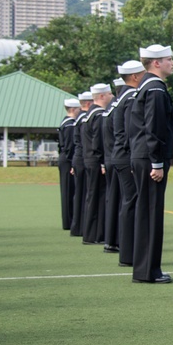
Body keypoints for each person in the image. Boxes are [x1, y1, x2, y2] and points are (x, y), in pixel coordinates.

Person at [129, 44, 173, 285]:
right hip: (150, 158)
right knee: (151, 213)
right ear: (156, 63)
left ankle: (144, 268)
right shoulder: (155, 89)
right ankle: (149, 270)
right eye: (169, 59)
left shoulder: (143, 86)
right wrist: (157, 162)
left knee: (146, 212)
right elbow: (155, 128)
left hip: (141, 156)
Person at [112, 61, 145, 268]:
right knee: (132, 203)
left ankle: (127, 252)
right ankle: (130, 253)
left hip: (120, 155)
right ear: (134, 77)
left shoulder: (120, 98)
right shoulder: (132, 97)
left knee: (128, 203)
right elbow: (130, 130)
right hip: (127, 155)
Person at [81, 83, 114, 245]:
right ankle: (97, 234)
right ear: (101, 96)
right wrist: (102, 162)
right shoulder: (99, 114)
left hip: (88, 159)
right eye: (109, 94)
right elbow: (98, 141)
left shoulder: (89, 114)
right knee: (99, 197)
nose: (112, 96)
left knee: (92, 196)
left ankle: (90, 233)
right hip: (96, 160)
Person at [102, 78, 126, 254]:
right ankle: (117, 241)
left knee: (114, 200)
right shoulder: (122, 105)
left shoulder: (111, 108)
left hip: (111, 158)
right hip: (120, 157)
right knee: (121, 202)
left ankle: (111, 240)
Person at [68, 91, 93, 238]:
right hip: (84, 158)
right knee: (84, 194)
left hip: (79, 158)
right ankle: (80, 227)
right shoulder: (85, 118)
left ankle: (77, 226)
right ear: (89, 103)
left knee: (81, 194)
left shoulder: (79, 119)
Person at [58, 98, 81, 230]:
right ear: (73, 109)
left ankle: (69, 220)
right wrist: (73, 162)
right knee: (68, 191)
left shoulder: (66, 123)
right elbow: (69, 146)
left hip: (65, 159)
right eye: (78, 109)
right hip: (67, 160)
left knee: (69, 190)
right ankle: (69, 221)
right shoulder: (70, 124)